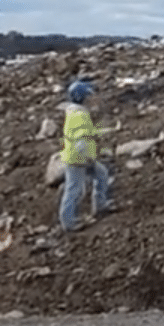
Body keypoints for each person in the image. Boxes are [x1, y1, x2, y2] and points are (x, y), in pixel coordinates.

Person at [59, 79, 114, 232]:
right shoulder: (79, 116)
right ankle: (68, 222)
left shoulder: (75, 112)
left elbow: (83, 134)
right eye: (89, 96)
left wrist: (99, 133)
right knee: (74, 189)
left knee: (101, 174)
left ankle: (100, 206)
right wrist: (87, 156)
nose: (91, 99)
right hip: (78, 158)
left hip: (81, 156)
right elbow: (80, 140)